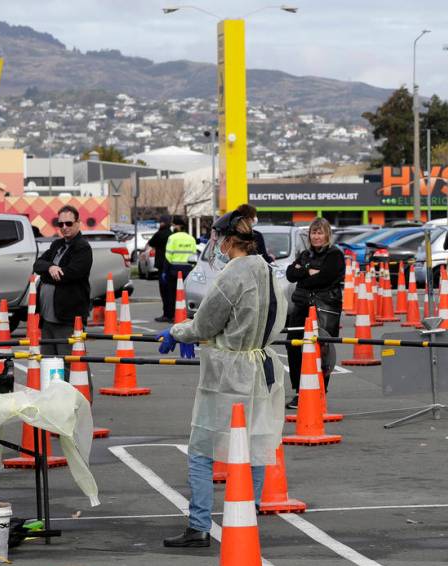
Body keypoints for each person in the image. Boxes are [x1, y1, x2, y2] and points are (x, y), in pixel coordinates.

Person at [162, 207, 288, 548]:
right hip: (262, 367)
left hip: (229, 372)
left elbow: (204, 325)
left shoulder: (232, 276)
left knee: (202, 448)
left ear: (231, 240)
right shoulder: (271, 271)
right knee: (255, 446)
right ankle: (248, 515)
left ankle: (199, 525)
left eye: (218, 239)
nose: (215, 245)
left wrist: (177, 332)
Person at [284, 218, 345, 410]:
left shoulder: (335, 254)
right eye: (313, 233)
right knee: (293, 347)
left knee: (322, 350)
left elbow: (326, 278)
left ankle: (319, 392)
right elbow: (290, 274)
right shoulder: (305, 254)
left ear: (327, 234)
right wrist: (308, 272)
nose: (316, 237)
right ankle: (300, 391)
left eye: (320, 233)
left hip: (324, 308)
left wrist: (305, 274)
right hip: (301, 307)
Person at [33, 205, 93, 377]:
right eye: (61, 224)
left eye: (69, 223)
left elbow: (69, 275)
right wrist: (51, 267)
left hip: (67, 318)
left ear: (78, 223)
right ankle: (55, 399)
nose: (64, 227)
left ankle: (81, 398)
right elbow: (37, 265)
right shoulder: (57, 244)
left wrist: (48, 273)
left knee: (71, 363)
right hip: (47, 318)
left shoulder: (82, 247)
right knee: (49, 363)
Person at [163, 216, 197, 300]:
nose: (173, 227)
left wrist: (165, 271)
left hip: (174, 271)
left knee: (173, 295)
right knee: (185, 295)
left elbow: (168, 255)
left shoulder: (172, 238)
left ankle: (174, 312)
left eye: (174, 225)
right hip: (187, 270)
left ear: (178, 226)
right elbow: (194, 257)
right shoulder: (191, 239)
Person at [148, 215, 173, 322]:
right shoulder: (171, 235)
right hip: (172, 265)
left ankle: (167, 314)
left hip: (162, 266)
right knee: (172, 292)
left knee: (164, 292)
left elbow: (151, 242)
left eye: (160, 222)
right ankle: (172, 313)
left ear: (163, 223)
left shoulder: (160, 234)